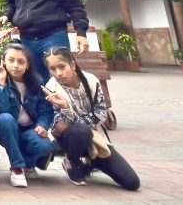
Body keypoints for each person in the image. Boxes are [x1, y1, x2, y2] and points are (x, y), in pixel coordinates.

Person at [44, 48, 139, 190]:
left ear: (73, 65)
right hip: (68, 139)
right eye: (53, 69)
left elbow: (101, 112)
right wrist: (65, 107)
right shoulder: (51, 88)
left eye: (62, 67)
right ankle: (71, 162)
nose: (58, 73)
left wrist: (73, 117)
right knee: (81, 131)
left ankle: (92, 160)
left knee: (132, 182)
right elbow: (58, 124)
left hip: (95, 137)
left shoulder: (91, 81)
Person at [0, 43, 55, 188]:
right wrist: (2, 82)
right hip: (7, 129)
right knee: (5, 118)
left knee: (45, 145)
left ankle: (29, 164)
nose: (15, 65)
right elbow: (2, 108)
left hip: (28, 130)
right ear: (3, 61)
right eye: (11, 60)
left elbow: (45, 110)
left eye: (20, 61)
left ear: (28, 65)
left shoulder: (37, 81)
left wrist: (42, 126)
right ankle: (18, 168)